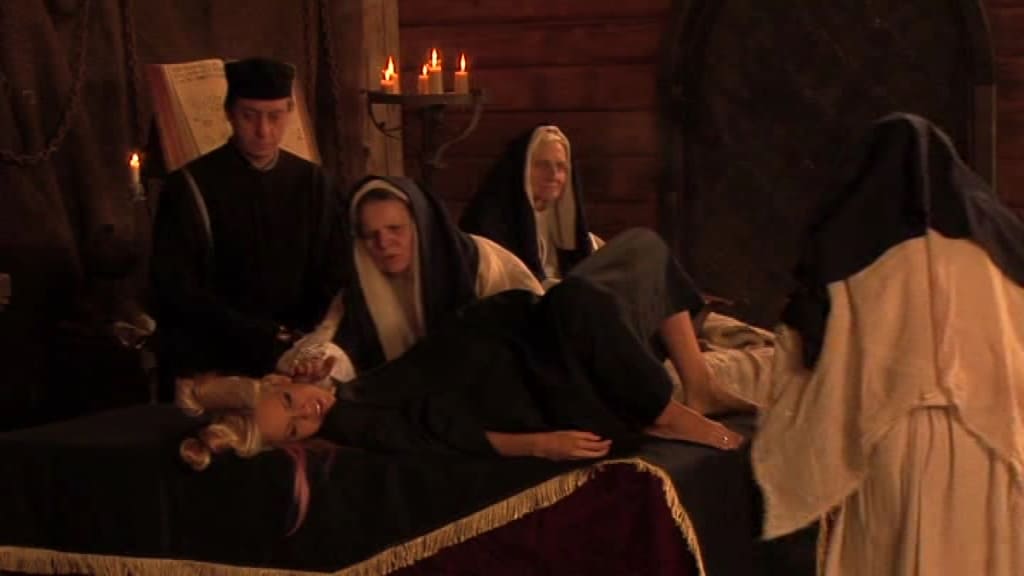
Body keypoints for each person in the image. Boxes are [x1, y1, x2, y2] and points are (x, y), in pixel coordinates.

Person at [752, 114, 1024, 575]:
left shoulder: (851, 252)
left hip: (895, 443)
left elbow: (808, 348)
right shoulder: (1000, 249)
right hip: (993, 439)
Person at [177, 274, 745, 475]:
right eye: (296, 427)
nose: (308, 412)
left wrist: (320, 372)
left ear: (284, 383)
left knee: (588, 293)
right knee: (578, 301)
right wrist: (539, 445)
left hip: (525, 363)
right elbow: (435, 431)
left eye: (291, 402)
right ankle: (670, 413)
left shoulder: (337, 390)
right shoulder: (353, 422)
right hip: (541, 405)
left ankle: (678, 397)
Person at [151, 58, 347, 391]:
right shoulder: (190, 186)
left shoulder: (314, 182)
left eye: (275, 116)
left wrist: (304, 342)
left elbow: (333, 270)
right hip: (220, 356)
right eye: (249, 116)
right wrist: (266, 340)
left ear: (290, 112)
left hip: (299, 355)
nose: (263, 131)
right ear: (229, 112)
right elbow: (179, 289)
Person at [290, 175, 543, 373]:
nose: (383, 243)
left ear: (420, 225)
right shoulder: (359, 290)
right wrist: (317, 364)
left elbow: (534, 326)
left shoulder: (482, 262)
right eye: (370, 235)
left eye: (395, 229)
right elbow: (334, 341)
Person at [460, 125, 601, 288]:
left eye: (561, 167)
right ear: (522, 170)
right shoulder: (488, 227)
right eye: (542, 165)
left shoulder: (577, 235)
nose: (553, 175)